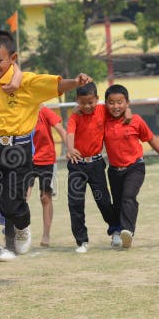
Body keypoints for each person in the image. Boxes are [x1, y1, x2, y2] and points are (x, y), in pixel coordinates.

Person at [0, 30, 92, 257]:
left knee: (11, 203)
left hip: (18, 149)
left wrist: (75, 82)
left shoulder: (26, 82)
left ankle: (23, 226)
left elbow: (55, 85)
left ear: (12, 59)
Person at [103, 84, 159, 250]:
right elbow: (91, 106)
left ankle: (127, 232)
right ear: (106, 104)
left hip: (135, 167)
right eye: (111, 103)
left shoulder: (136, 120)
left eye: (120, 102)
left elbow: (151, 138)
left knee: (128, 196)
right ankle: (117, 231)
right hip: (114, 170)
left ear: (127, 102)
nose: (116, 106)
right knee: (118, 203)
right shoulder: (104, 120)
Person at [66, 83, 122, 252]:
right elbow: (70, 133)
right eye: (83, 103)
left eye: (91, 102)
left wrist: (128, 111)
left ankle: (116, 230)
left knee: (103, 200)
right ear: (77, 101)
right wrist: (70, 148)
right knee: (75, 203)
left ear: (97, 99)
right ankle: (81, 241)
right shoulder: (74, 117)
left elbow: (117, 108)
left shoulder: (103, 109)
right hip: (77, 166)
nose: (87, 106)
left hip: (96, 165)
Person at [28, 105, 67, 248]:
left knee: (45, 198)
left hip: (47, 160)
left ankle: (46, 234)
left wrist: (70, 148)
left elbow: (61, 129)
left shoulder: (44, 111)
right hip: (28, 160)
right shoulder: (21, 110)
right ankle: (21, 232)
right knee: (23, 196)